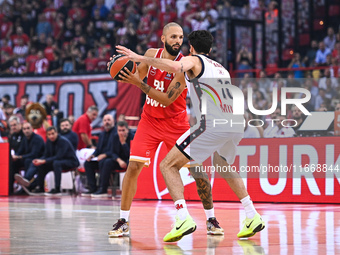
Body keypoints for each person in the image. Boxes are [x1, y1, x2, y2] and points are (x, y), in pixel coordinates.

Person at [117, 30, 265, 242]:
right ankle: (252, 214)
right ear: (211, 49)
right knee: (222, 164)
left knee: (167, 166)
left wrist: (139, 58)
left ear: (192, 48)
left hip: (212, 125)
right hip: (234, 123)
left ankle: (183, 217)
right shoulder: (221, 68)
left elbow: (176, 66)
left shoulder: (193, 61)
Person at [108, 23, 224, 238]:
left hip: (176, 123)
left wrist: (137, 83)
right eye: (173, 37)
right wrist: (122, 69)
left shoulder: (185, 65)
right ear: (163, 39)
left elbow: (166, 99)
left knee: (197, 170)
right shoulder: (151, 55)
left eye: (180, 37)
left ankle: (211, 218)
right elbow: (136, 73)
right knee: (133, 167)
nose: (177, 41)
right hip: (149, 121)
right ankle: (123, 220)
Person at [16, 126, 79, 196]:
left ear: (57, 133)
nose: (51, 136)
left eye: (53, 134)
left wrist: (44, 161)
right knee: (41, 165)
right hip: (57, 161)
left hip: (71, 161)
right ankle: (40, 188)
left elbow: (59, 156)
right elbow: (46, 155)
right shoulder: (49, 141)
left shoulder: (63, 141)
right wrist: (40, 160)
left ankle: (57, 189)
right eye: (49, 134)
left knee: (56, 163)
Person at [81, 114, 116, 197]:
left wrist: (105, 155)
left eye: (109, 120)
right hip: (102, 158)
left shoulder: (116, 133)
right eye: (105, 120)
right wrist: (92, 155)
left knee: (104, 162)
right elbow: (98, 149)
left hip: (114, 159)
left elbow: (116, 150)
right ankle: (93, 188)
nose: (107, 122)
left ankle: (103, 189)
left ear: (113, 121)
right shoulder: (102, 134)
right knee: (88, 163)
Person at [13, 122, 45, 193]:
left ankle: (26, 181)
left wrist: (19, 156)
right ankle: (12, 183)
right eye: (24, 129)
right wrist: (15, 157)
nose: (26, 131)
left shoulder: (38, 139)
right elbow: (20, 151)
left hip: (40, 159)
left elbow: (34, 154)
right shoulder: (24, 139)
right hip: (29, 159)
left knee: (28, 160)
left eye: (28, 128)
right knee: (14, 162)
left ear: (32, 129)